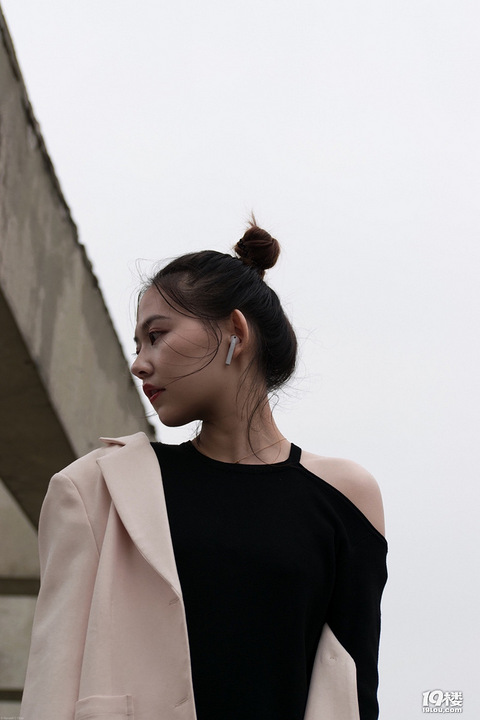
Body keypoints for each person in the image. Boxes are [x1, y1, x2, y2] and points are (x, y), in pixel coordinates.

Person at [21, 219, 387, 720]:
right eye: (137, 346)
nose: (139, 364)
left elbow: (353, 689)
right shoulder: (97, 489)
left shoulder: (344, 496)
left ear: (236, 331)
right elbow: (51, 685)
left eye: (156, 336)